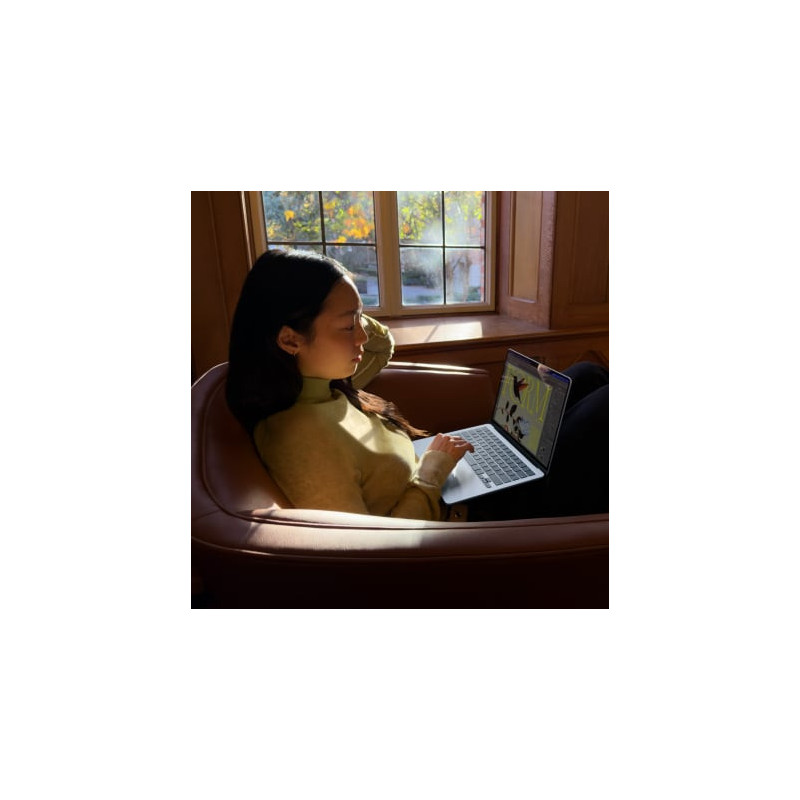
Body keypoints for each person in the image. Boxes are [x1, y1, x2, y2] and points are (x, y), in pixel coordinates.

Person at [226, 248, 607, 522]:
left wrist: (346, 303)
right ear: (289, 340)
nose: (362, 336)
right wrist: (430, 474)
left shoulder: (323, 381)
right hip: (472, 518)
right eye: (348, 325)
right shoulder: (298, 438)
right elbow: (367, 550)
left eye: (361, 318)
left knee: (588, 373)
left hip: (447, 478)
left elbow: (379, 345)